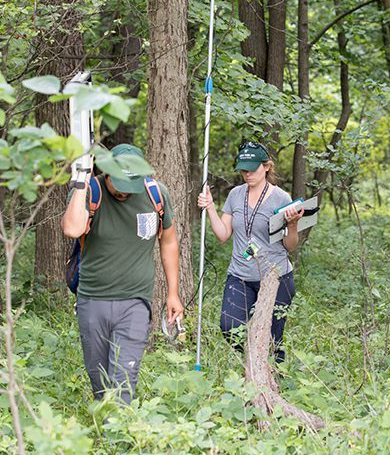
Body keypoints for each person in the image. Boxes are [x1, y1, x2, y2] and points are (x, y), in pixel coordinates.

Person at [61, 143, 184, 403]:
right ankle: (106, 433)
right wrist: (81, 181)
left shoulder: (155, 194)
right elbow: (72, 229)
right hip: (93, 299)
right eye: (120, 184)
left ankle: (118, 440)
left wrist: (173, 293)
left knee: (124, 379)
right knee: (99, 378)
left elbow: (169, 241)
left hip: (135, 301)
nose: (125, 193)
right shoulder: (91, 191)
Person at [197, 141, 303, 363]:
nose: (247, 174)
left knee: (273, 337)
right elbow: (223, 234)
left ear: (266, 167)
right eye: (243, 170)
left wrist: (292, 225)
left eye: (252, 169)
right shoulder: (236, 194)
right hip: (240, 275)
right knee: (229, 326)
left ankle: (274, 381)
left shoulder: (281, 198)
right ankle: (251, 367)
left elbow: (290, 246)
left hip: (275, 276)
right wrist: (210, 209)